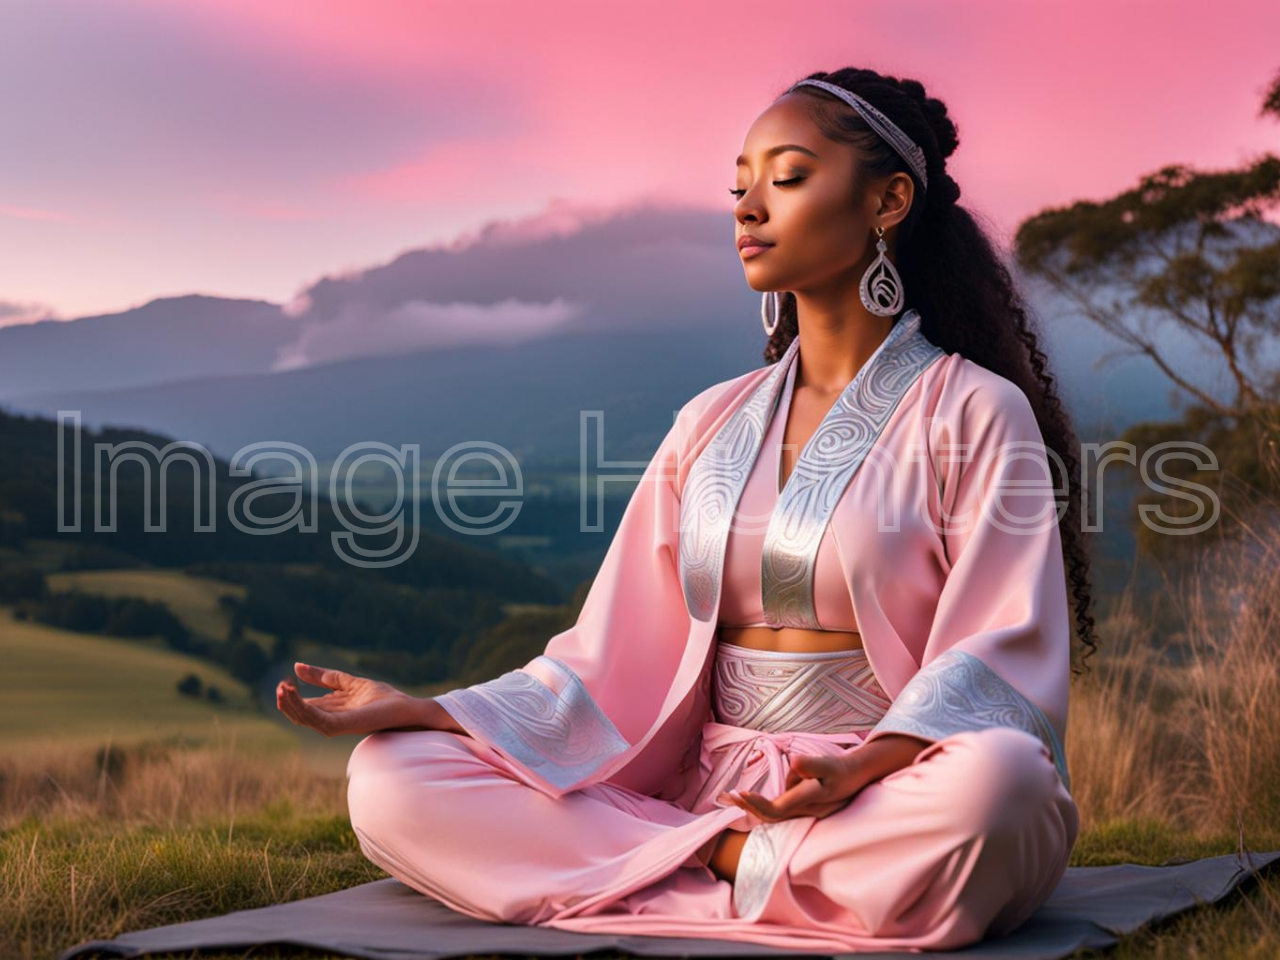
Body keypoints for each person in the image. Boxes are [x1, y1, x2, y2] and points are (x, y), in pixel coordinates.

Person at [277, 66, 1098, 953]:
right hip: (703, 794)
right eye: (738, 186)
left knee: (997, 789)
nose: (748, 208)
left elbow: (997, 653)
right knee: (393, 775)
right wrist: (438, 711)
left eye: (786, 178)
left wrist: (867, 762)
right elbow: (604, 661)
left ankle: (664, 870)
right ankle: (745, 864)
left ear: (888, 200)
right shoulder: (708, 422)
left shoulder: (972, 409)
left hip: (883, 784)